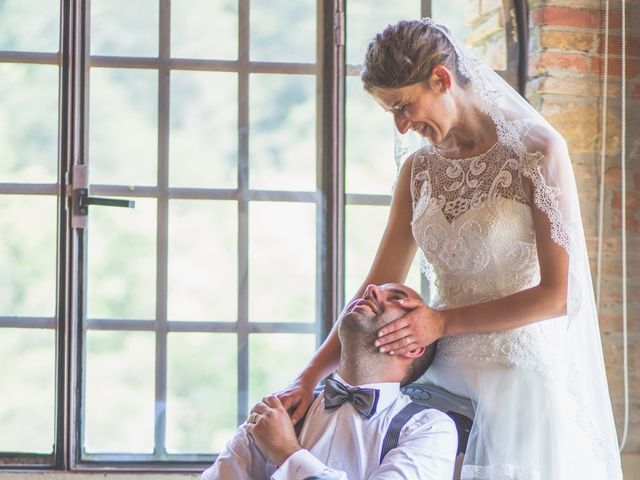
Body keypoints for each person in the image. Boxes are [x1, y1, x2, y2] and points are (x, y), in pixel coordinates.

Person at [277, 18, 623, 480]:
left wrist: (441, 321)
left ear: (441, 78)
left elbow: (559, 295)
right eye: (392, 114)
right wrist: (307, 377)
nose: (402, 127)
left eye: (405, 106)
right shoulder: (418, 171)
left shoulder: (537, 152)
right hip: (435, 380)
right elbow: (373, 287)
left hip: (516, 383)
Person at [201, 283, 458, 480]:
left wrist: (286, 452)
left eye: (396, 298)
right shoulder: (280, 411)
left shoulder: (429, 429)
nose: (370, 289)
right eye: (374, 288)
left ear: (413, 347)